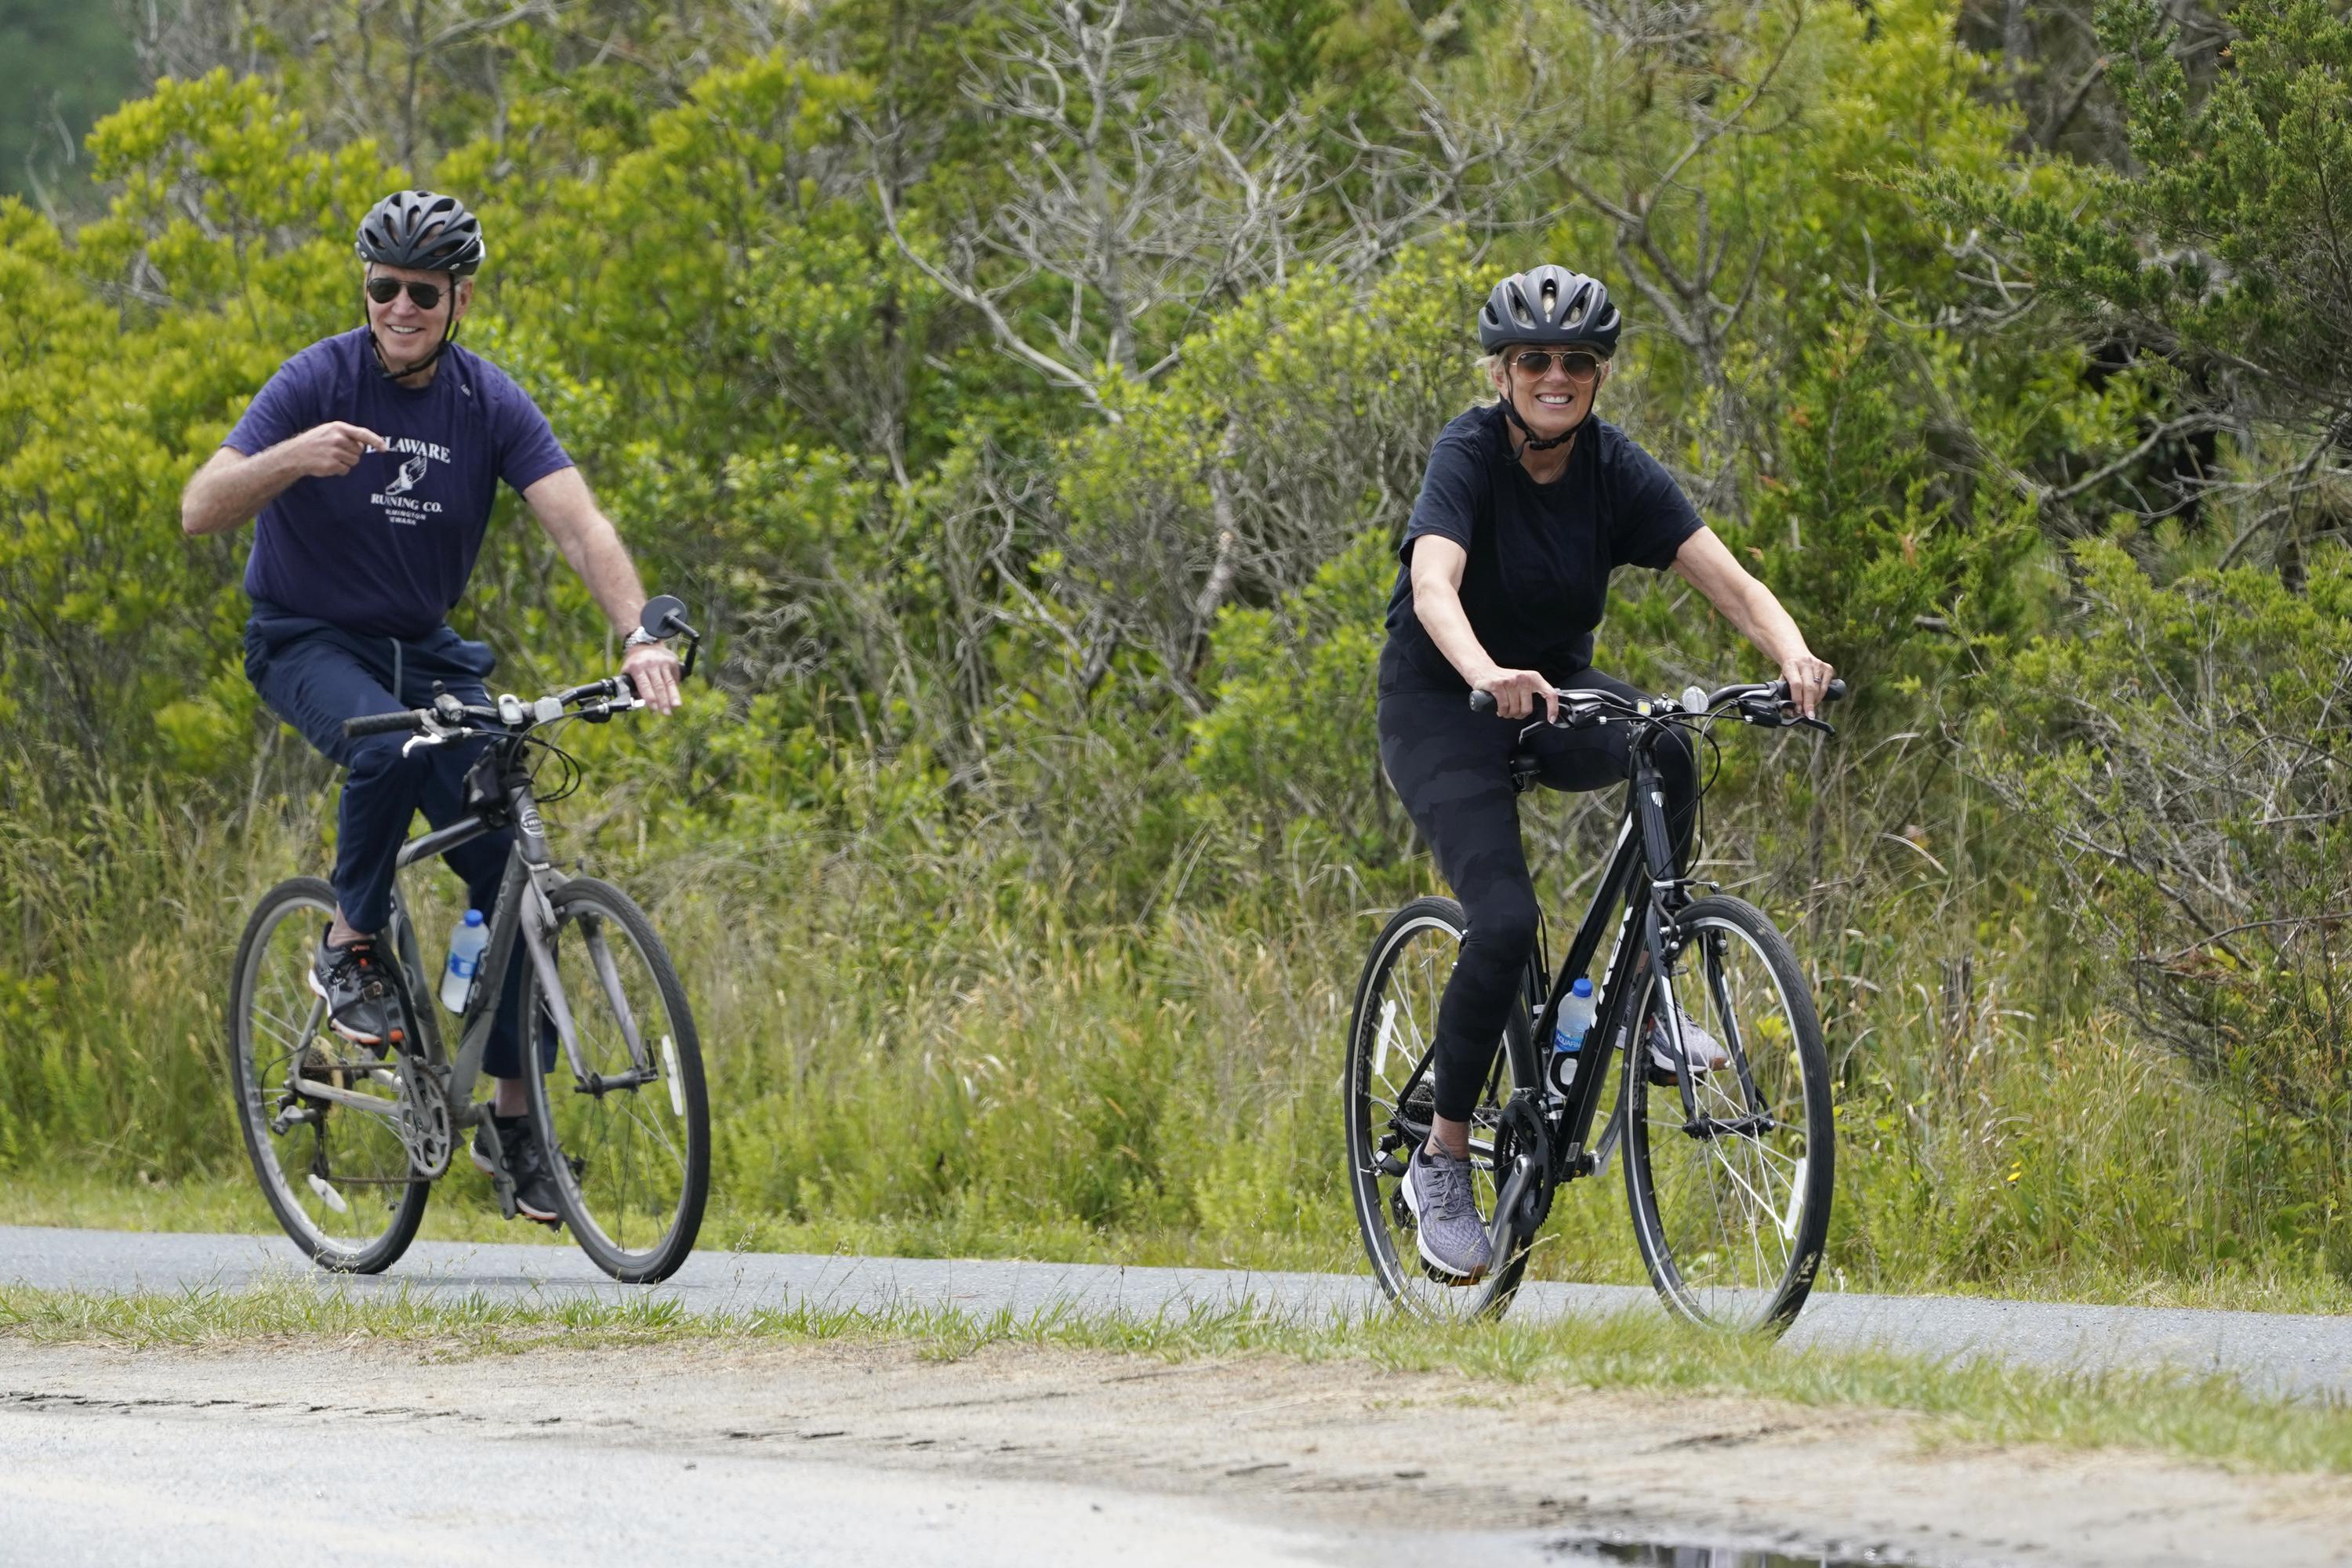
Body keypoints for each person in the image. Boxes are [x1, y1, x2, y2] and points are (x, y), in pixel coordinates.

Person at [180, 190, 684, 1223]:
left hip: (426, 651)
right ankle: (349, 943)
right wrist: (297, 456)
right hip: (306, 639)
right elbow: (200, 507)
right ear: (366, 288)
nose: (400, 307)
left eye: (422, 291)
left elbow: (580, 525)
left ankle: (514, 1124)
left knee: (509, 858)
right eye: (384, 287)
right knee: (391, 749)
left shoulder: (487, 403)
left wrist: (637, 634)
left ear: (459, 299)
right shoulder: (318, 380)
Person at [1377, 264, 1835, 1283]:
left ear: (1599, 376)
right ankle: (1442, 1161)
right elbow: (1434, 582)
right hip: (1443, 702)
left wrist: (1793, 656)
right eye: (1535, 359)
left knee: (1665, 742)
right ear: (1502, 373)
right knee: (1503, 923)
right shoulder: (1467, 455)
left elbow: (1732, 582)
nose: (1556, 376)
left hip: (1555, 693)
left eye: (1576, 362)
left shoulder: (1614, 469)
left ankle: (1637, 996)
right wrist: (1485, 672)